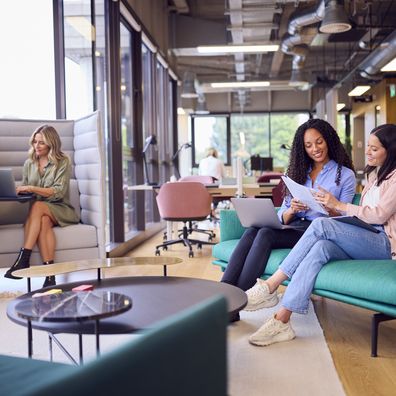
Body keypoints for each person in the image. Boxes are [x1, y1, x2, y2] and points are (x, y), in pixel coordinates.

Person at [246, 123, 396, 347]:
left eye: (374, 149)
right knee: (320, 248)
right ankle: (282, 321)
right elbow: (364, 216)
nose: (367, 152)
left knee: (322, 225)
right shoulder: (375, 176)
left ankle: (271, 286)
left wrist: (339, 206)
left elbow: (379, 215)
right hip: (365, 237)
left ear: (391, 151)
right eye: (368, 147)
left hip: (384, 243)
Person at [221, 119, 356, 304]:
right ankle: (224, 291)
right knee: (253, 231)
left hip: (317, 230)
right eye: (308, 145)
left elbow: (346, 218)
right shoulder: (299, 171)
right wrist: (292, 209)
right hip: (294, 226)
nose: (315, 149)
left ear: (329, 141)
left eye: (319, 142)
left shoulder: (345, 175)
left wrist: (329, 206)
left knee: (266, 234)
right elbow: (282, 215)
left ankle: (242, 298)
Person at [4, 125, 79, 287]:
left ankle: (24, 259)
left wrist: (31, 188)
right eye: (34, 142)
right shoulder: (29, 163)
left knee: (38, 206)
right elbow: (27, 193)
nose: (36, 146)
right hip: (40, 212)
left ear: (51, 144)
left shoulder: (63, 161)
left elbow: (58, 192)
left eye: (41, 143)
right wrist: (17, 193)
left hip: (61, 208)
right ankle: (50, 276)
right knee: (43, 220)